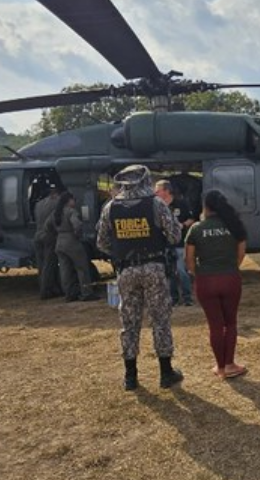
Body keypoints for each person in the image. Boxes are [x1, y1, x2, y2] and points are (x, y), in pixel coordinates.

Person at [96, 165, 184, 391]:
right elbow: (175, 235)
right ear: (145, 180)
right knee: (160, 319)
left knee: (129, 322)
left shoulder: (110, 207)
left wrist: (123, 250)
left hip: (125, 270)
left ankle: (131, 377)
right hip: (154, 267)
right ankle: (166, 374)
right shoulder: (156, 204)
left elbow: (102, 242)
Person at [185, 190, 248, 379]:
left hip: (206, 280)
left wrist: (201, 274)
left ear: (205, 207)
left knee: (215, 325)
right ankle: (230, 364)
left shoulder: (196, 229)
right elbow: (241, 254)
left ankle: (220, 367)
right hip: (230, 278)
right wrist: (230, 268)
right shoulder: (235, 226)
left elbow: (188, 260)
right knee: (231, 322)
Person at [49, 192, 99, 302]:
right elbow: (77, 225)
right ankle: (86, 293)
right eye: (73, 200)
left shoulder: (55, 213)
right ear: (68, 201)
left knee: (65, 270)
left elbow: (48, 226)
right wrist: (78, 235)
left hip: (59, 242)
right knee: (82, 268)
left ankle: (69, 294)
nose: (74, 202)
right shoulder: (71, 212)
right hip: (71, 242)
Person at [155, 179, 195, 307]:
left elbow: (191, 219)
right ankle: (173, 298)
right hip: (164, 244)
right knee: (169, 272)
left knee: (181, 270)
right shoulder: (157, 206)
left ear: (166, 191)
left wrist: (182, 225)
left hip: (180, 243)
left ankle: (187, 297)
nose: (155, 193)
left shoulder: (181, 203)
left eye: (158, 190)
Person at [33, 186, 63, 299]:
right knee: (49, 264)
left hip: (37, 235)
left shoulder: (38, 204)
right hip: (49, 236)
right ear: (55, 194)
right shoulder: (57, 203)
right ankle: (45, 291)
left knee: (41, 265)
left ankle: (47, 287)